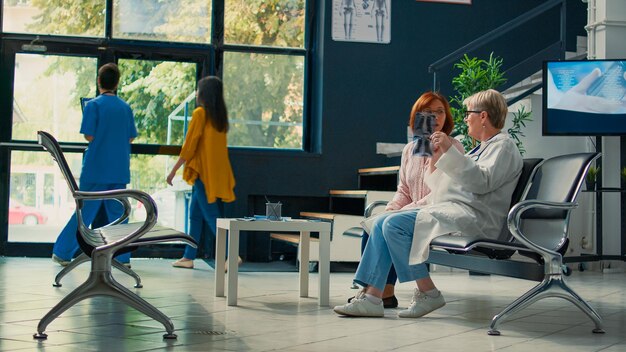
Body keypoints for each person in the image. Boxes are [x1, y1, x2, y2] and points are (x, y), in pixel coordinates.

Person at [335, 89, 523, 318]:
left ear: (482, 116)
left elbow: (481, 183)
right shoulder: (482, 148)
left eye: (469, 114)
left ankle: (427, 293)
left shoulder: (502, 146)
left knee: (393, 225)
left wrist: (447, 153)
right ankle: (372, 297)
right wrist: (437, 161)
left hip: (474, 219)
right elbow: (447, 186)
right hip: (455, 210)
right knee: (383, 221)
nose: (466, 119)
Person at [348, 92, 464, 308]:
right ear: (417, 118)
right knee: (374, 223)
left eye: (440, 112)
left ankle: (374, 291)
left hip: (437, 213)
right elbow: (404, 190)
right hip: (412, 212)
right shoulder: (411, 150)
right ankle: (384, 292)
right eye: (428, 113)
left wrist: (401, 211)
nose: (436, 117)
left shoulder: (453, 147)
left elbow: (441, 192)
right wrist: (391, 209)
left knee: (389, 224)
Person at [52, 63, 137, 267]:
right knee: (119, 214)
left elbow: (89, 135)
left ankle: (62, 252)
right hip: (118, 169)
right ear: (117, 83)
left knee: (85, 212)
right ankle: (123, 258)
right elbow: (130, 137)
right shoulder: (125, 108)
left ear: (99, 81)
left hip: (96, 168)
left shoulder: (93, 105)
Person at [167, 76, 236, 269]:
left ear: (204, 93)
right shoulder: (219, 119)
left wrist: (173, 171)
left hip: (203, 175)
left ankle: (231, 255)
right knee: (195, 215)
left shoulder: (200, 114)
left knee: (212, 217)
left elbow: (189, 147)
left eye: (198, 90)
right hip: (214, 175)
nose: (196, 93)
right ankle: (189, 257)